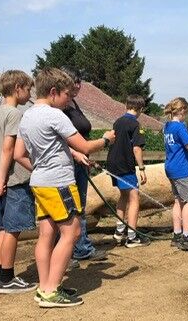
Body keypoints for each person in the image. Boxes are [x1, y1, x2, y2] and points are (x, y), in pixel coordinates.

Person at [14, 68, 115, 308]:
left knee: (46, 235)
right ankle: (51, 291)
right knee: (72, 233)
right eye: (67, 95)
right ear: (53, 92)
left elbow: (19, 154)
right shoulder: (55, 115)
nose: (69, 100)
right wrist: (107, 139)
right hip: (59, 183)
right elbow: (86, 146)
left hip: (40, 182)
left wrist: (46, 166)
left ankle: (44, 287)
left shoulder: (27, 115)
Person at [0, 70, 37, 294]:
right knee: (13, 230)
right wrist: (3, 178)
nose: (30, 94)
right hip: (13, 181)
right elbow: (8, 148)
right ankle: (7, 278)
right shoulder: (15, 114)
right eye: (28, 89)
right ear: (17, 89)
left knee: (3, 229)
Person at [60, 68, 106, 264]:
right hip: (68, 163)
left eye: (79, 82)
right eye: (75, 82)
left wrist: (86, 156)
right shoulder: (60, 108)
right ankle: (65, 251)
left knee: (80, 206)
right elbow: (60, 138)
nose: (78, 86)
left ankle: (81, 247)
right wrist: (76, 153)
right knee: (68, 208)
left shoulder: (73, 104)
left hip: (81, 162)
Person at [107, 94, 150, 247]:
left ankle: (119, 231)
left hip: (112, 164)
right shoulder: (135, 124)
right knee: (134, 198)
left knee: (123, 196)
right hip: (125, 165)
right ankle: (132, 237)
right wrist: (142, 168)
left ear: (126, 105)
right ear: (141, 109)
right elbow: (137, 148)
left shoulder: (117, 121)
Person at [163, 98, 188, 254]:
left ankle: (177, 234)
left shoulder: (167, 126)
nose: (185, 115)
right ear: (181, 111)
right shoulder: (179, 127)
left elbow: (178, 142)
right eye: (185, 112)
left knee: (178, 201)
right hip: (181, 169)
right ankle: (186, 237)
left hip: (170, 167)